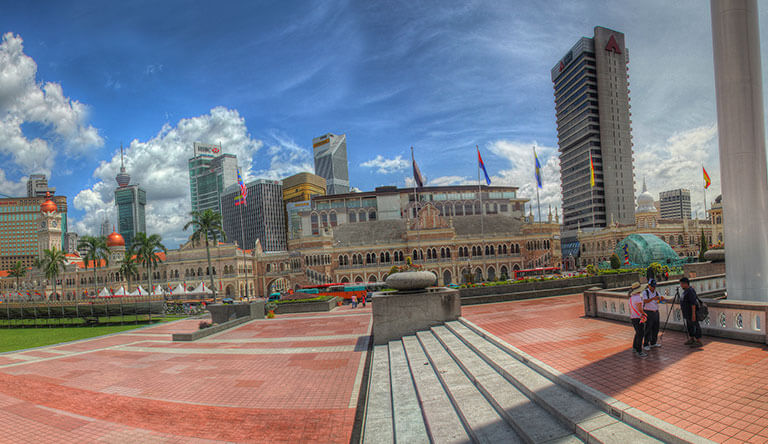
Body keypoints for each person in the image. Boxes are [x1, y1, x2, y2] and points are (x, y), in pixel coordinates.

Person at [642, 279, 666, 350]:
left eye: (654, 286)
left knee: (656, 328)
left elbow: (660, 301)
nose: (653, 288)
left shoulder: (657, 293)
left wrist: (662, 299)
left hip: (656, 312)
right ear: (649, 285)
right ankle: (646, 344)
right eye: (652, 286)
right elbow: (645, 300)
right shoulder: (645, 292)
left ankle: (653, 342)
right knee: (648, 328)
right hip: (648, 312)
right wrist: (653, 298)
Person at [680, 277, 703, 347]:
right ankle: (692, 338)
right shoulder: (685, 291)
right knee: (689, 326)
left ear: (685, 284)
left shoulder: (690, 291)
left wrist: (693, 314)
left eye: (681, 284)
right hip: (687, 313)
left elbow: (693, 303)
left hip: (691, 313)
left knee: (695, 325)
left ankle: (698, 340)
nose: (681, 285)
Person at [628, 282, 648, 357]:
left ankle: (634, 347)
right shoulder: (638, 298)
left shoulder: (631, 298)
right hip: (638, 318)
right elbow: (640, 308)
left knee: (637, 333)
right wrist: (644, 313)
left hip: (633, 317)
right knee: (640, 334)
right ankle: (639, 351)